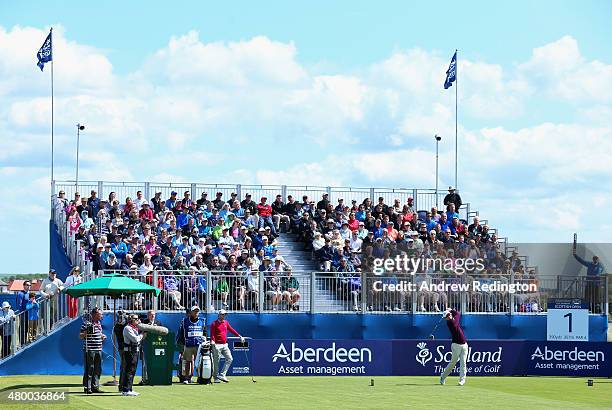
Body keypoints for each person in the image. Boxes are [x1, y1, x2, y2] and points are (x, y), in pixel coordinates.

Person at [210, 309, 244, 383]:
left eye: (224, 315)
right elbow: (212, 334)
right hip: (216, 345)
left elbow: (231, 330)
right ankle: (215, 378)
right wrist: (213, 341)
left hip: (225, 345)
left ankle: (222, 374)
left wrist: (239, 336)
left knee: (230, 359)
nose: (223, 316)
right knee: (216, 362)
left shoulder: (226, 322)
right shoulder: (214, 324)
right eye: (222, 314)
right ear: (218, 315)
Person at [176, 306, 206, 384]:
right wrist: (181, 343)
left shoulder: (202, 321)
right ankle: (186, 378)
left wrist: (205, 340)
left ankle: (200, 378)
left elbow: (204, 332)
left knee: (199, 363)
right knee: (187, 362)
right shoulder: (184, 321)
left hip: (198, 346)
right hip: (188, 345)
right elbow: (181, 333)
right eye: (194, 311)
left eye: (197, 311)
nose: (196, 313)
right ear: (191, 312)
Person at [80, 307, 106, 394]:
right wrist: (87, 332)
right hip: (90, 349)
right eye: (100, 314)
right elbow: (80, 336)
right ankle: (87, 387)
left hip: (99, 349)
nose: (102, 316)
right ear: (95, 314)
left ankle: (95, 387)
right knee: (89, 368)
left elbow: (98, 334)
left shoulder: (98, 324)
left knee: (97, 369)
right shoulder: (87, 324)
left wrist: (102, 336)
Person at [439, 309, 468, 386]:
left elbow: (458, 313)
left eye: (446, 317)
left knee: (463, 363)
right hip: (456, 345)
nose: (446, 318)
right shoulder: (450, 323)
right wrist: (451, 313)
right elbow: (457, 316)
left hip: (464, 344)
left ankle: (462, 380)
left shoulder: (453, 318)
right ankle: (443, 376)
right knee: (453, 363)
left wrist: (451, 309)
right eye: (445, 317)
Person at [572, 248, 605, 313]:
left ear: (598, 259)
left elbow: (600, 271)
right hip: (589, 284)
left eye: (596, 258)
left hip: (596, 285)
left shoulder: (600, 266)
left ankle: (595, 309)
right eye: (594, 258)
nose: (595, 259)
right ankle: (587, 308)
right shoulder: (589, 264)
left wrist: (598, 275)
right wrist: (575, 255)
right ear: (593, 259)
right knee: (587, 297)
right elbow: (581, 261)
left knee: (596, 298)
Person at [121, 314, 144, 396]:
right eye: (136, 319)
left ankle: (129, 388)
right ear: (131, 320)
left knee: (132, 370)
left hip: (135, 351)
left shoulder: (135, 328)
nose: (138, 320)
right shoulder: (127, 328)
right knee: (129, 370)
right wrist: (142, 334)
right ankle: (126, 390)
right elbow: (135, 339)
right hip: (130, 352)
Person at [139, 310, 162, 385]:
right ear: (148, 315)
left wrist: (157, 329)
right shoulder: (144, 322)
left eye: (154, 315)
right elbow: (140, 331)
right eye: (151, 315)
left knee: (156, 362)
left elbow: (162, 332)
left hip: (156, 345)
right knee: (145, 362)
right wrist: (149, 328)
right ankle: (145, 379)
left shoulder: (158, 323)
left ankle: (155, 378)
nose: (153, 316)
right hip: (146, 344)